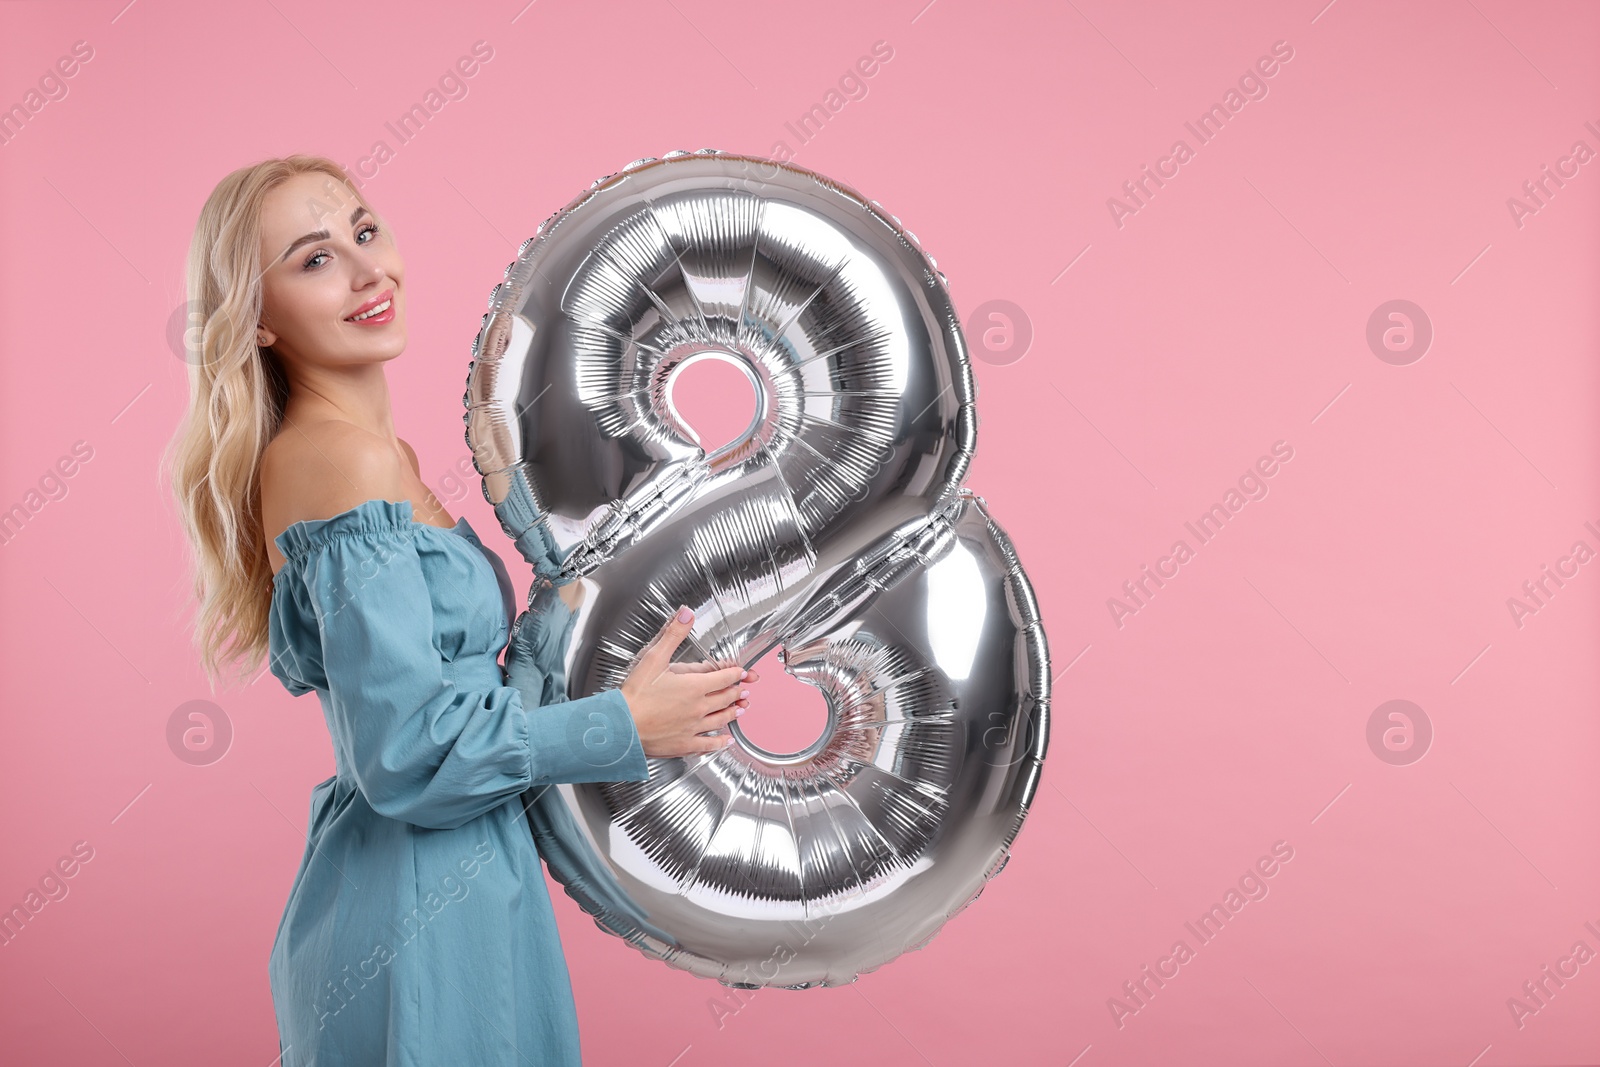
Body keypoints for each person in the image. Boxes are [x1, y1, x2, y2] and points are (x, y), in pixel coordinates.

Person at [161, 154, 757, 1065]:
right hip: (412, 907)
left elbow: (458, 701)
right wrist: (619, 723)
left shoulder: (380, 452)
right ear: (257, 320)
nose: (368, 271)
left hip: (471, 880)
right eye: (314, 259)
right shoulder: (335, 462)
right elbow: (407, 753)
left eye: (365, 231)